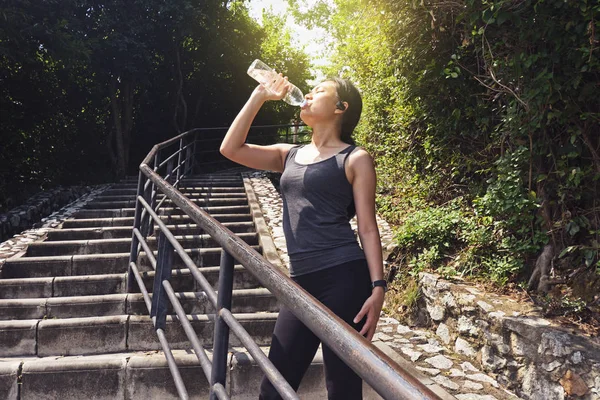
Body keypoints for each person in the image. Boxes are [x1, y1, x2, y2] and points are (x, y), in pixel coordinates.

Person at [219, 72, 385, 400]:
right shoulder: (288, 155)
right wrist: (259, 96)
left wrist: (378, 288)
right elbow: (230, 148)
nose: (307, 95)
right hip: (299, 283)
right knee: (274, 386)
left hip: (345, 278)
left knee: (342, 388)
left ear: (341, 107)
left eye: (319, 90)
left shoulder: (355, 158)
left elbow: (367, 226)